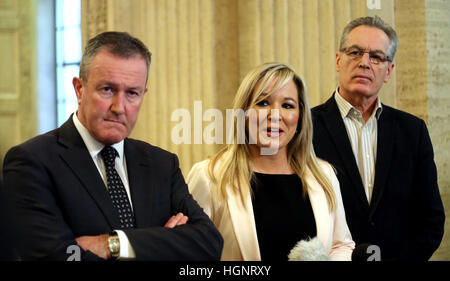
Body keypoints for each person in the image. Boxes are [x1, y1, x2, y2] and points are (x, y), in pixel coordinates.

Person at [2, 31, 223, 261]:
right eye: (107, 89)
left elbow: (208, 244)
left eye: (132, 93)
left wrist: (114, 244)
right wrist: (162, 244)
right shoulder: (31, 162)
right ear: (79, 89)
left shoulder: (162, 164)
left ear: (143, 95)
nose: (119, 107)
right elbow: (57, 257)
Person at [187, 62, 355, 261]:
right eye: (263, 103)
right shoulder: (210, 176)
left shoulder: (324, 174)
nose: (275, 115)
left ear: (300, 118)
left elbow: (340, 245)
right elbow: (190, 254)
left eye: (287, 105)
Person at [311, 16, 445, 260]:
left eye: (376, 57)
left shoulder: (412, 131)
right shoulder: (305, 128)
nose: (365, 63)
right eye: (355, 52)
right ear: (338, 60)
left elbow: (431, 219)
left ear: (388, 70)